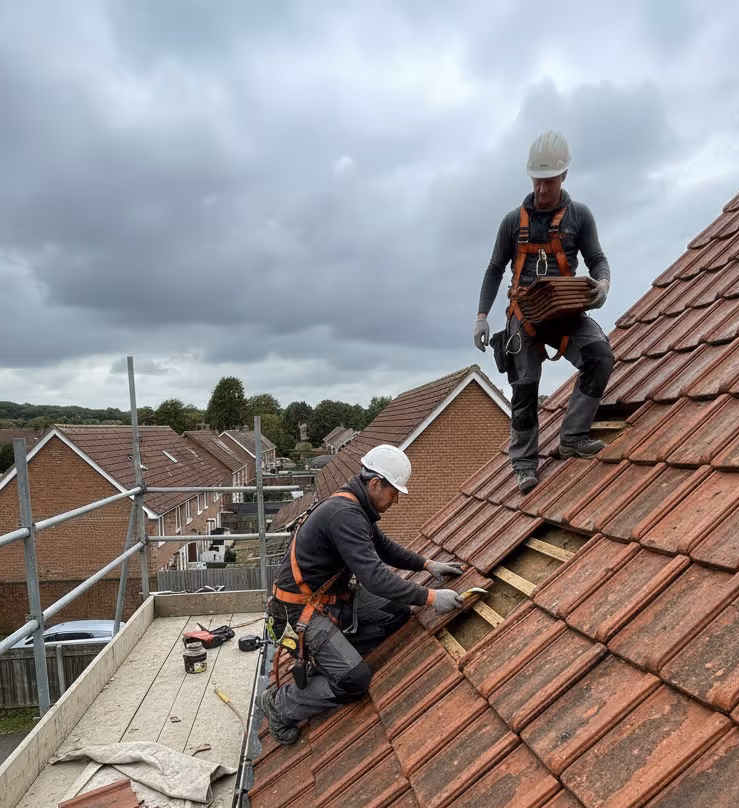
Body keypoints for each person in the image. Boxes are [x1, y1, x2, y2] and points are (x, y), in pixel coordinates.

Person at [258, 444, 464, 744]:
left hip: (329, 600)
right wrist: (431, 598)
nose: (395, 501)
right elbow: (376, 578)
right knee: (355, 681)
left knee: (397, 612)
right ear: (375, 483)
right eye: (393, 493)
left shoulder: (357, 508)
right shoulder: (345, 514)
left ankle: (335, 656)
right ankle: (281, 704)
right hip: (301, 612)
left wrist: (427, 564)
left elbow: (384, 548)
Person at [474, 130, 615, 495]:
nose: (541, 190)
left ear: (564, 176)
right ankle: (523, 463)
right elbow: (493, 270)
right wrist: (481, 316)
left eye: (548, 182)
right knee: (524, 387)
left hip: (565, 312)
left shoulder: (578, 217)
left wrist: (601, 288)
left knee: (599, 356)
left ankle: (572, 437)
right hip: (526, 315)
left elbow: (598, 260)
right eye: (536, 181)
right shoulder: (512, 222)